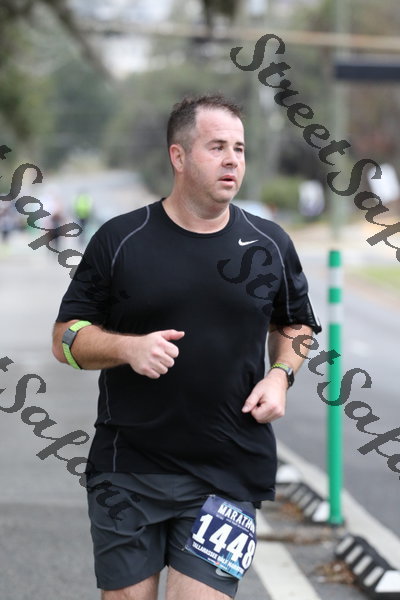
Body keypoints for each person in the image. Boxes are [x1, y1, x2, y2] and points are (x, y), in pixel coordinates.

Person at [52, 94, 321, 600]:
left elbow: (297, 324)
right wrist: (127, 349)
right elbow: (64, 337)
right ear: (178, 156)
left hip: (229, 471)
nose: (232, 160)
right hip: (128, 469)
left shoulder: (269, 245)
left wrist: (280, 375)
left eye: (239, 148)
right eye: (217, 147)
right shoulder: (121, 239)